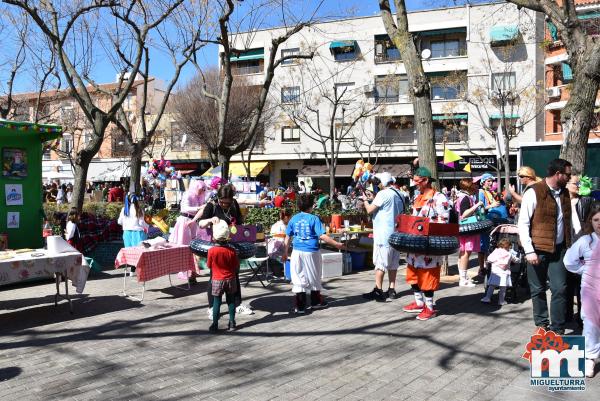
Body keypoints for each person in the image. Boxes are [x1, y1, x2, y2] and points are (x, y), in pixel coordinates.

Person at [518, 158, 573, 334]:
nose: (570, 178)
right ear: (558, 174)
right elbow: (523, 223)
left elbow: (570, 221)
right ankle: (542, 324)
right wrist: (529, 251)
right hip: (537, 250)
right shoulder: (534, 192)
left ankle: (557, 329)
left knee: (560, 288)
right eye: (568, 174)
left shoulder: (564, 193)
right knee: (538, 289)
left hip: (559, 249)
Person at [192, 184, 250, 318]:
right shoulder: (212, 205)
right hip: (216, 246)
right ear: (218, 198)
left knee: (234, 275)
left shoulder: (234, 204)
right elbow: (200, 223)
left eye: (227, 202)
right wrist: (210, 220)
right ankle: (212, 308)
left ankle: (237, 304)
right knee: (215, 276)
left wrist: (240, 228)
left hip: (232, 244)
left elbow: (240, 221)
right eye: (222, 202)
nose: (224, 204)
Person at [282, 194, 344, 313]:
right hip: (311, 251)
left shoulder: (293, 218)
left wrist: (285, 252)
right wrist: (336, 244)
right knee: (314, 276)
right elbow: (322, 235)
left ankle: (300, 306)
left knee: (298, 277)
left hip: (296, 252)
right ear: (311, 206)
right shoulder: (314, 218)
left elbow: (287, 237)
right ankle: (315, 302)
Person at [402, 167, 450, 321]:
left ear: (426, 180)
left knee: (427, 276)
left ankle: (429, 307)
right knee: (412, 274)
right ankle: (419, 302)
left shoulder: (439, 198)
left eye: (417, 181)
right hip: (414, 245)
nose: (414, 184)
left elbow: (444, 221)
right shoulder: (418, 196)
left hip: (429, 245)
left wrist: (425, 225)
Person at [563, 204, 600, 378]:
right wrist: (584, 270)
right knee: (591, 323)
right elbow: (569, 261)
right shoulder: (586, 241)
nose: (599, 223)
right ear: (590, 222)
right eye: (596, 220)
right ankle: (590, 358)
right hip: (591, 289)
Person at [362, 172, 405, 301]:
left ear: (383, 182)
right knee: (393, 264)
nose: (377, 184)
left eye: (378, 181)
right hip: (396, 234)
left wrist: (365, 200)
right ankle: (392, 289)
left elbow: (369, 210)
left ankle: (378, 290)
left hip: (383, 235)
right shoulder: (400, 194)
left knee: (381, 263)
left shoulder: (382, 194)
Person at [565, 174, 597, 326]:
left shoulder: (586, 201)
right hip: (566, 246)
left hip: (582, 245)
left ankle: (583, 318)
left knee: (582, 285)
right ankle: (567, 315)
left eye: (579, 183)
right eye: (574, 183)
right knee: (566, 284)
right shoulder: (560, 202)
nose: (578, 186)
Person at [170, 180, 209, 283]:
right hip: (185, 221)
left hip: (193, 222)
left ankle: (192, 270)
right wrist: (199, 207)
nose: (202, 191)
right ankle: (183, 271)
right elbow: (184, 208)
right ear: (196, 187)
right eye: (201, 189)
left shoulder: (200, 197)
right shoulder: (187, 195)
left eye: (204, 189)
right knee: (184, 246)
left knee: (193, 247)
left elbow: (200, 211)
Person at [207, 220, 240, 333]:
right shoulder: (232, 251)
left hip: (217, 279)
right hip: (230, 279)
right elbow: (236, 265)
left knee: (217, 302)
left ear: (214, 237)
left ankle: (215, 324)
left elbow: (209, 265)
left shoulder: (211, 251)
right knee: (231, 301)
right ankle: (232, 322)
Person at [455, 178, 484, 287]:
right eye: (473, 185)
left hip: (463, 228)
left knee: (463, 253)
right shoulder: (466, 198)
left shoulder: (461, 196)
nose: (475, 187)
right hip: (467, 228)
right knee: (466, 253)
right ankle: (463, 279)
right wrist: (477, 205)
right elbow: (464, 214)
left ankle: (463, 277)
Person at [482, 238, 519, 305]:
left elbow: (489, 258)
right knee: (503, 288)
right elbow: (515, 260)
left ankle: (487, 298)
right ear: (509, 246)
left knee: (491, 286)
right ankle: (501, 301)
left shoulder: (496, 251)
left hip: (495, 272)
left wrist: (492, 261)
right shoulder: (509, 253)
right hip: (504, 273)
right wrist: (518, 260)